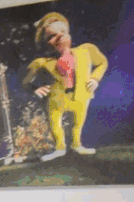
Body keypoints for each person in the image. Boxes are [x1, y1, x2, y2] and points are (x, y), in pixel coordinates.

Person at [24, 11, 108, 161]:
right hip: (56, 100)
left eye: (62, 31)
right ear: (45, 42)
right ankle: (59, 148)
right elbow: (26, 80)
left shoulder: (86, 50)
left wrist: (95, 79)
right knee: (55, 124)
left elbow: (102, 62)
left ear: (68, 31)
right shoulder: (41, 62)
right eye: (51, 36)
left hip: (81, 96)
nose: (59, 37)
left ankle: (76, 145)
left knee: (78, 123)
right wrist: (34, 89)